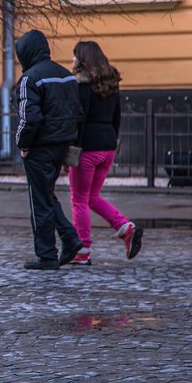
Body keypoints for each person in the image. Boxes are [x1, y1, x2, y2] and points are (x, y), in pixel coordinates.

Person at [14, 30, 85, 270]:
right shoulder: (66, 76)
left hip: (39, 148)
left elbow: (29, 119)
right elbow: (77, 113)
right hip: (62, 145)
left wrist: (23, 145)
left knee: (40, 201)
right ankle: (70, 238)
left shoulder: (30, 79)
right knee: (47, 195)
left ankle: (47, 255)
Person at [68, 41, 143, 265]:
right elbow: (117, 117)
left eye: (74, 56)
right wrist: (112, 141)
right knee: (92, 197)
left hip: (87, 150)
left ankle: (82, 250)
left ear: (82, 59)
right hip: (107, 147)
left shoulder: (82, 86)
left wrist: (71, 151)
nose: (72, 61)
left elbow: (79, 121)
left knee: (79, 200)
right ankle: (125, 227)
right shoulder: (111, 84)